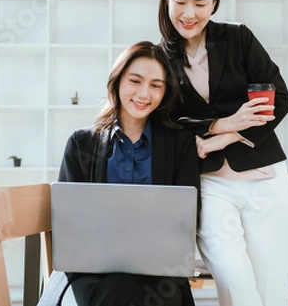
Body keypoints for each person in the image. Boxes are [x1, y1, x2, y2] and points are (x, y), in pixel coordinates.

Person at [158, 0, 288, 306]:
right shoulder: (159, 57)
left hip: (264, 175)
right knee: (234, 279)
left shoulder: (238, 38)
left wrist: (224, 136)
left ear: (215, 2)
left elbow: (278, 98)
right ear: (166, 0)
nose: (189, 13)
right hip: (210, 182)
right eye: (180, 2)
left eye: (201, 3)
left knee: (272, 288)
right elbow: (167, 121)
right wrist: (222, 122)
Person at [56, 41, 200, 306]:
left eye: (156, 85)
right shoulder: (81, 144)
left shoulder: (180, 145)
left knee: (126, 291)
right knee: (118, 288)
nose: (144, 93)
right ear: (118, 81)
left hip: (158, 277)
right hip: (92, 276)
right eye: (135, 80)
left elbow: (185, 222)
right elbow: (68, 225)